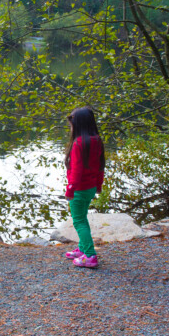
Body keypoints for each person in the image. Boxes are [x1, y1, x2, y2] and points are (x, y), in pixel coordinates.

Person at [63, 106, 105, 269]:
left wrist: (70, 190)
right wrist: (99, 186)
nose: (71, 128)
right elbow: (101, 166)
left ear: (79, 125)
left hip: (79, 189)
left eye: (72, 125)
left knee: (79, 221)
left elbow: (77, 171)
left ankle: (90, 256)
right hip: (90, 187)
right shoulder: (96, 140)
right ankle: (82, 248)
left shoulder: (78, 144)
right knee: (83, 218)